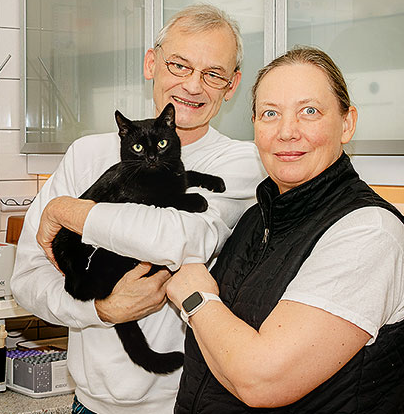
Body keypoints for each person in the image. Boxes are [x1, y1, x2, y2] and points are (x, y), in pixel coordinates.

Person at [10, 4, 266, 414]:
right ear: (152, 63)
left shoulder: (241, 162)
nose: (193, 86)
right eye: (179, 65)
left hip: (185, 405)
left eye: (213, 74)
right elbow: (27, 278)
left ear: (232, 85)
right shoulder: (86, 154)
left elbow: (178, 238)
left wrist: (67, 212)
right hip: (89, 405)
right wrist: (99, 309)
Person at [167, 46, 404, 412]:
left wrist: (195, 296)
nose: (287, 132)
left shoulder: (368, 233)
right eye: (270, 113)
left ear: (346, 123)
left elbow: (262, 380)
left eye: (309, 112)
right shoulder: (256, 219)